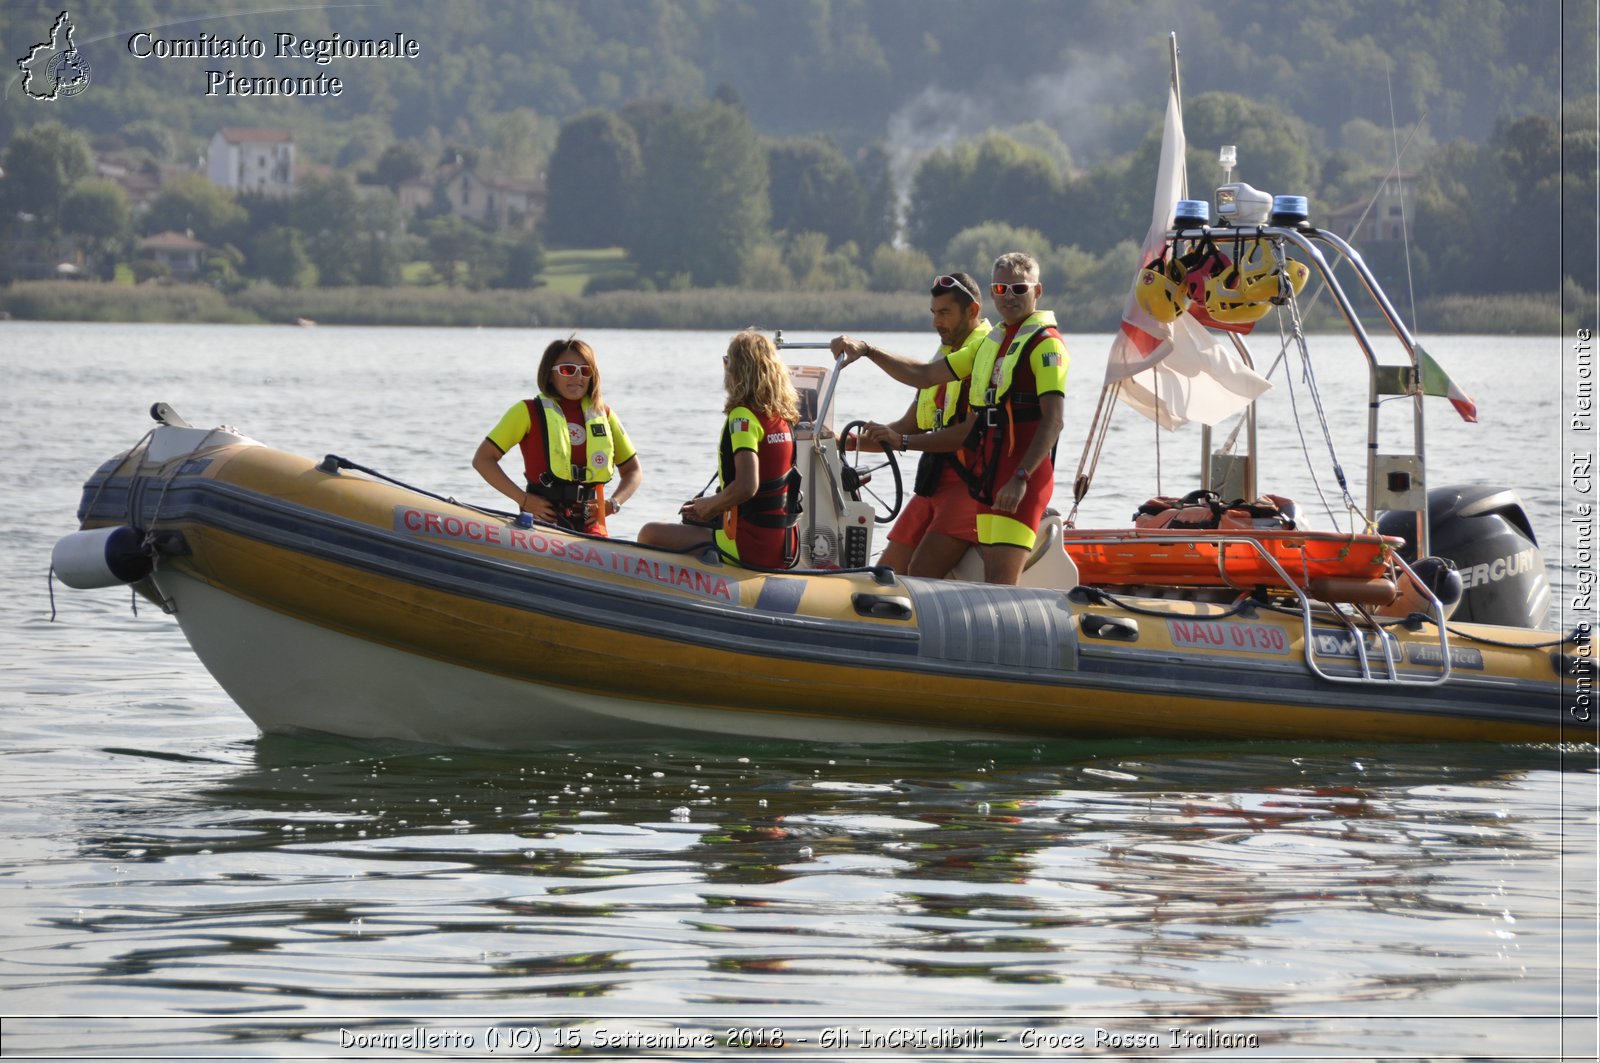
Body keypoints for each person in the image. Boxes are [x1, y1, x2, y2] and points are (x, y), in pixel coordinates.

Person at [832, 252, 1067, 585]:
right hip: (983, 481)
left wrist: (1020, 476)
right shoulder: (992, 345)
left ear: (1037, 291)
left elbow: (1053, 422)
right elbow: (925, 375)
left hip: (1007, 480)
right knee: (891, 573)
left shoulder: (1046, 345)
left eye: (1018, 288)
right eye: (1001, 288)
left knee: (994, 586)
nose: (1009, 296)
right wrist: (868, 350)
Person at [842, 272, 991, 577]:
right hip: (934, 485)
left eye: (945, 313)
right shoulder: (946, 355)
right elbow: (905, 427)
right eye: (934, 314)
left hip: (971, 488)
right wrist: (843, 442)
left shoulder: (984, 353)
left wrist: (868, 350)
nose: (937, 322)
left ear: (973, 311)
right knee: (884, 573)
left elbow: (959, 434)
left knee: (917, 575)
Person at [638, 329, 803, 569]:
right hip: (786, 546)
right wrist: (711, 507)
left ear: (736, 370)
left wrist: (710, 504)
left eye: (727, 361)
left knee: (649, 533)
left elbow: (747, 486)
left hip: (752, 547)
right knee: (692, 523)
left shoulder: (742, 417)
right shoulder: (783, 417)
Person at [472, 336, 641, 535]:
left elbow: (633, 471)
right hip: (541, 524)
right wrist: (523, 499)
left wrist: (613, 503)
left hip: (590, 528)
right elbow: (482, 459)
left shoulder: (605, 416)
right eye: (568, 370)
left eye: (585, 371)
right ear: (550, 374)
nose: (577, 377)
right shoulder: (526, 411)